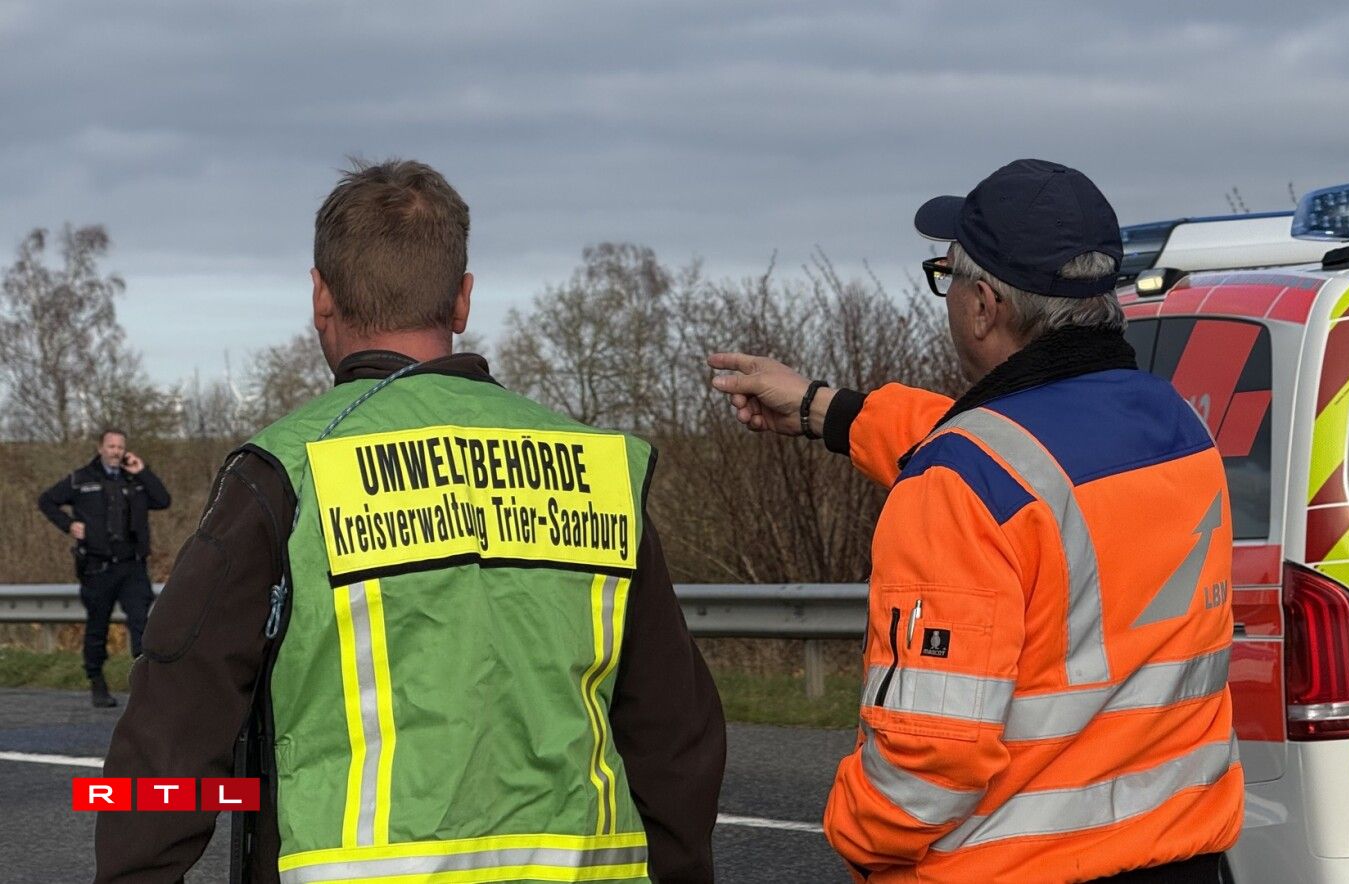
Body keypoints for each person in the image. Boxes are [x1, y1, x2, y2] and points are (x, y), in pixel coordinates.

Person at [97, 159, 726, 884]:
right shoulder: (596, 470)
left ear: (320, 296)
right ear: (461, 300)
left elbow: (173, 729)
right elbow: (675, 734)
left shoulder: (286, 472)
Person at [709, 159, 1242, 883]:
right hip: (1183, 858)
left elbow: (927, 767)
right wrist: (822, 408)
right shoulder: (1176, 427)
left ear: (984, 305)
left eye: (948, 276)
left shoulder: (961, 484)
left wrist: (854, 834)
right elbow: (1018, 454)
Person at [38, 428, 170, 708]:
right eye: (111, 446)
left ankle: (145, 684)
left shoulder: (134, 479)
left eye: (120, 447)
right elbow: (46, 501)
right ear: (100, 448)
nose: (116, 452)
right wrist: (68, 525)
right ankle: (97, 681)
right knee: (97, 627)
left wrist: (143, 471)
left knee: (142, 624)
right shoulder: (81, 479)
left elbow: (163, 500)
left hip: (132, 566)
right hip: (98, 568)